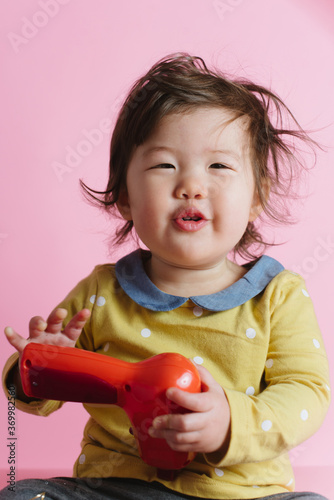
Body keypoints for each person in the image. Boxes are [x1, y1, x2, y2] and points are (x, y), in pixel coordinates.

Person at [1, 53, 330, 500]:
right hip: (114, 487)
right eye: (164, 166)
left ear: (256, 198)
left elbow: (307, 394)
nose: (191, 185)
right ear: (124, 198)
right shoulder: (102, 293)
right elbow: (32, 397)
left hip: (242, 493)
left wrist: (230, 421)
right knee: (24, 494)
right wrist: (45, 366)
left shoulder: (277, 297)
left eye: (219, 166)